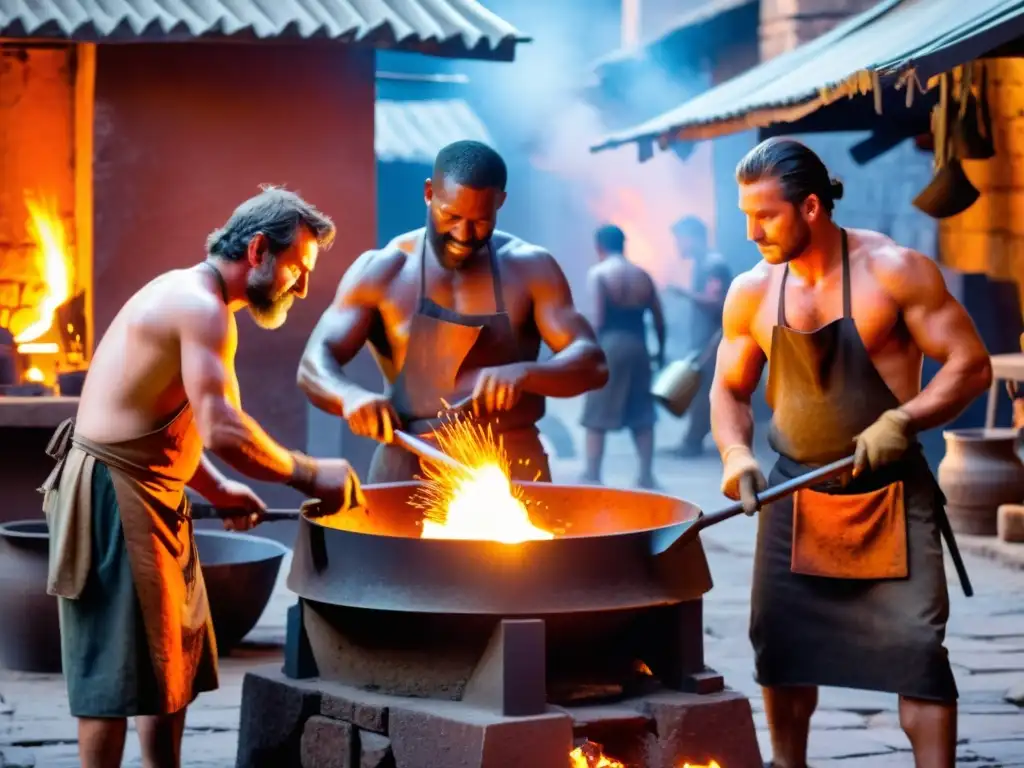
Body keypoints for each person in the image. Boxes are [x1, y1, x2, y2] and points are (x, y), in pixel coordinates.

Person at [39, 186, 364, 768]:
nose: (304, 287)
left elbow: (172, 423)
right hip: (114, 499)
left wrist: (216, 489)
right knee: (113, 681)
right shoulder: (200, 307)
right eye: (298, 268)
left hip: (148, 493)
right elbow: (223, 428)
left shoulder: (190, 295)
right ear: (260, 249)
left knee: (167, 667)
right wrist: (311, 474)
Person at [711, 137, 990, 768]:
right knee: (779, 646)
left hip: (892, 493)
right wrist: (735, 453)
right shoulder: (751, 291)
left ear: (811, 208)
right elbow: (729, 391)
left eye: (766, 216)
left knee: (917, 650)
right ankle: (789, 764)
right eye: (746, 216)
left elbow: (969, 366)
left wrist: (904, 417)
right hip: (795, 493)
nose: (752, 231)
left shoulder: (894, 269)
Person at [298, 140, 608, 482]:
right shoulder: (383, 270)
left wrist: (526, 373)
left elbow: (592, 363)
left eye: (479, 221)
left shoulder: (530, 268)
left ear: (500, 203)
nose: (463, 234)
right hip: (408, 466)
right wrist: (350, 396)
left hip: (511, 469)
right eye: (452, 216)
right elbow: (314, 363)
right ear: (429, 193)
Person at [579, 224, 665, 488]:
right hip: (639, 346)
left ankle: (593, 474)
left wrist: (587, 352)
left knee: (596, 412)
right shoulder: (642, 275)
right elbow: (659, 320)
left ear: (599, 247)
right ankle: (646, 474)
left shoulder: (599, 273)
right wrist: (659, 351)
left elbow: (598, 318)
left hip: (610, 346)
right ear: (623, 244)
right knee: (642, 413)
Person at [665, 216, 732, 457]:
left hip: (713, 341)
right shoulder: (704, 263)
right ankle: (694, 440)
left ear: (693, 238)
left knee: (705, 393)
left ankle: (693, 442)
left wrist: (684, 293)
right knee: (703, 392)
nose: (678, 246)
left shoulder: (713, 264)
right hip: (706, 340)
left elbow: (717, 301)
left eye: (680, 239)